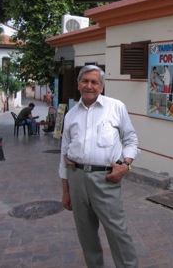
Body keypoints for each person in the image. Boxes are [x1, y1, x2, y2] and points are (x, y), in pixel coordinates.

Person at [59, 65, 139, 268]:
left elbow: (131, 140)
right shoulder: (71, 115)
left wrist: (125, 165)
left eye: (94, 82)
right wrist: (66, 191)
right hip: (76, 177)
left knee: (118, 233)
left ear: (102, 86)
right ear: (78, 85)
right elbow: (63, 153)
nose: (89, 86)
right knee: (86, 235)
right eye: (85, 81)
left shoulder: (116, 107)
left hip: (106, 179)